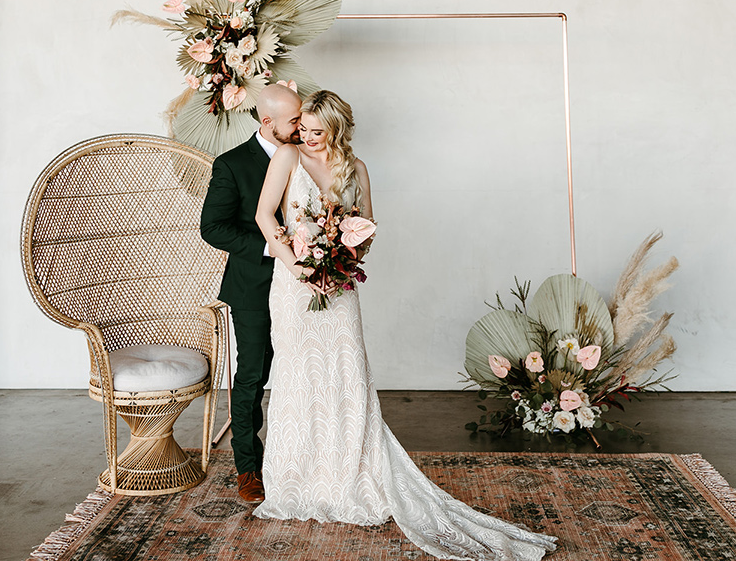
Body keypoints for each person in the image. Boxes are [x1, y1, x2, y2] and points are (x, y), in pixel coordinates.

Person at [253, 90, 558, 560]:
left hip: (337, 287)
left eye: (318, 131)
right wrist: (300, 269)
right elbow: (264, 216)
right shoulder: (288, 157)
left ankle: (347, 473)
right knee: (297, 377)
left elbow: (367, 226)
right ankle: (298, 477)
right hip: (294, 287)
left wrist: (338, 264)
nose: (307, 137)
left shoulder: (357, 169)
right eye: (303, 129)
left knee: (345, 374)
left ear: (337, 130)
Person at [200, 83, 302, 504]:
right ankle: (248, 469)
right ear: (267, 122)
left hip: (301, 285)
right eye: (294, 121)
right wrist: (273, 247)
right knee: (252, 378)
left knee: (301, 370)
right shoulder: (232, 164)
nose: (302, 127)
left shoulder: (306, 153)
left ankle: (299, 458)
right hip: (253, 286)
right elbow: (213, 228)